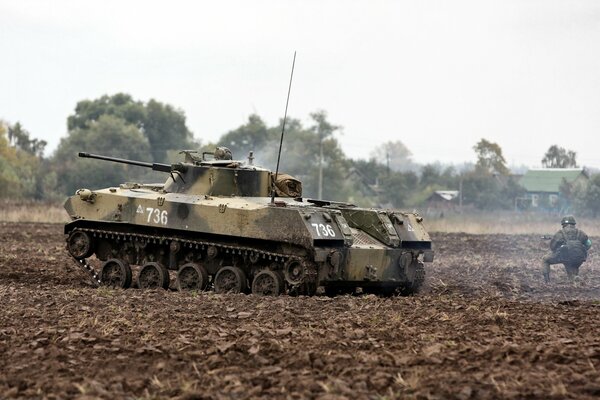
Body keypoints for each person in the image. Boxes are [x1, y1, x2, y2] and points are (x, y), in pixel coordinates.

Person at [542, 215, 592, 283]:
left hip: (566, 257)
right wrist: (579, 249)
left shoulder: (560, 233)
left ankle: (547, 282)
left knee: (545, 259)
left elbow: (553, 247)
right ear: (574, 224)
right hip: (579, 258)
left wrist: (560, 247)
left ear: (563, 224)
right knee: (573, 270)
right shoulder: (581, 233)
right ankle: (575, 278)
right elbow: (589, 244)